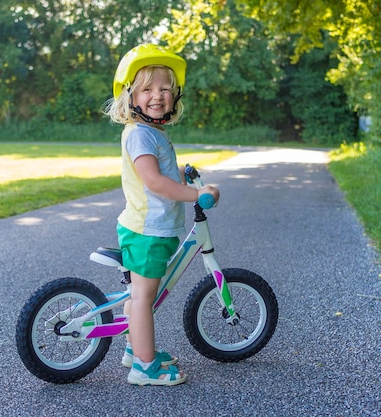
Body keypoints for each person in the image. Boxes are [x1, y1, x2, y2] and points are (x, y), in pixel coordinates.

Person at [104, 44, 220, 386]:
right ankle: (144, 366)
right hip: (147, 232)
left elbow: (162, 174)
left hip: (150, 229)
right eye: (147, 89)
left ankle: (133, 349)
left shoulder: (152, 132)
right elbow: (154, 183)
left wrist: (183, 176)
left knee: (139, 295)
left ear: (175, 95)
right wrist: (195, 195)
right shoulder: (140, 134)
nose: (158, 95)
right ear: (130, 95)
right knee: (143, 298)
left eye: (165, 88)